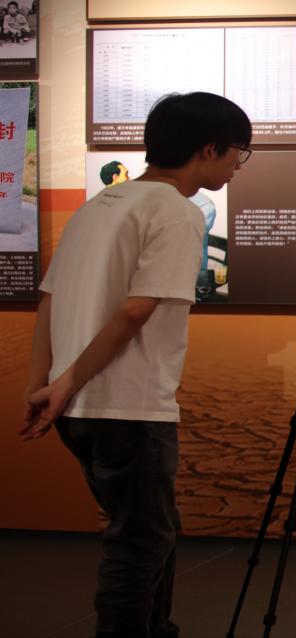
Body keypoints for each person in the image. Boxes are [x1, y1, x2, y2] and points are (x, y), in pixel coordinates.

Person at [21, 92, 251, 637]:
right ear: (209, 148)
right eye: (237, 154)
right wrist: (65, 383)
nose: (237, 167)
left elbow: (49, 300)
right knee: (139, 543)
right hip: (126, 406)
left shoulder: (101, 204)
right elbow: (135, 311)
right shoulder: (175, 210)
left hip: (78, 407)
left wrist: (44, 385)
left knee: (151, 530)